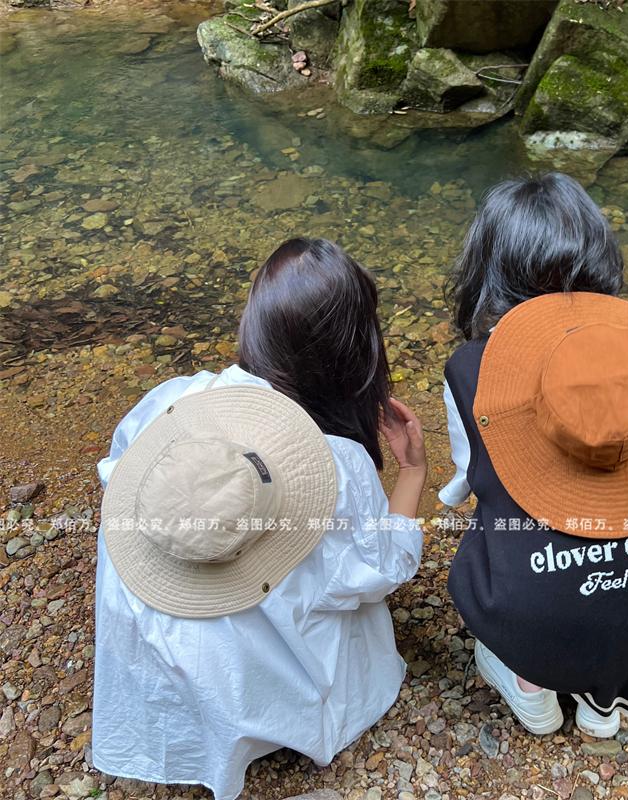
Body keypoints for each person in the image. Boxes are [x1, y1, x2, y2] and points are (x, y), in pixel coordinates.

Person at [92, 238, 427, 800]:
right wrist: (412, 471)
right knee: (338, 582)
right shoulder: (336, 465)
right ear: (353, 352)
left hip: (153, 672)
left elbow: (120, 480)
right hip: (239, 692)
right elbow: (382, 568)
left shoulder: (172, 401)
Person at [439, 174, 628, 738]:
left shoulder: (472, 368)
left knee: (494, 530)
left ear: (489, 268)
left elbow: (471, 477)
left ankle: (531, 686)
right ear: (600, 252)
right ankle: (610, 702)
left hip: (532, 609)